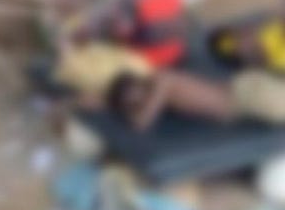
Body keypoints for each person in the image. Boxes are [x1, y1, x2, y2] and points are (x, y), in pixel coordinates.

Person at [106, 65, 285, 131]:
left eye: (134, 96)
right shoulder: (160, 94)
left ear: (137, 83)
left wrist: (107, 107)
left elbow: (142, 123)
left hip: (245, 95)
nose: (138, 102)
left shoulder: (162, 81)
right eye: (132, 103)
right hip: (242, 99)